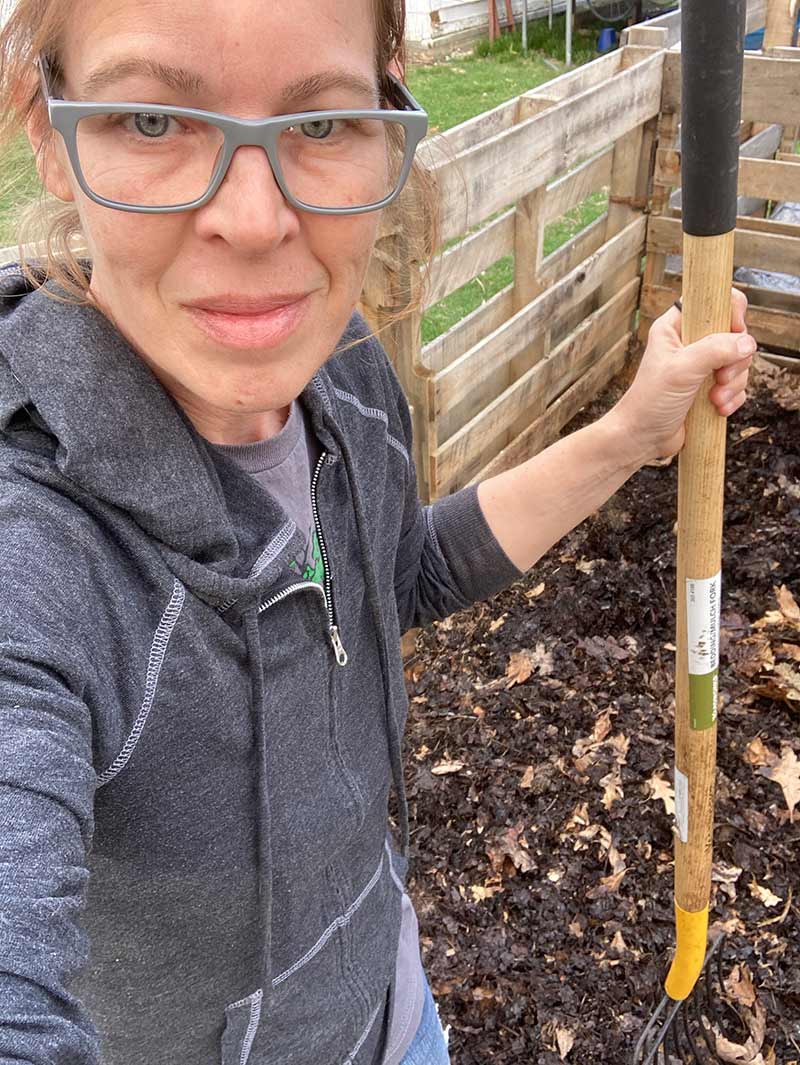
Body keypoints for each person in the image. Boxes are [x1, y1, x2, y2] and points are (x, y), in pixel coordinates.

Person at [0, 1, 755, 1063]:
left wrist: (629, 432)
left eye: (319, 125)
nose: (257, 222)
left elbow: (404, 570)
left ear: (385, 111)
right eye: (155, 122)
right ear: (49, 131)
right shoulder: (35, 552)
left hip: (397, 1014)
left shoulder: (339, 373)